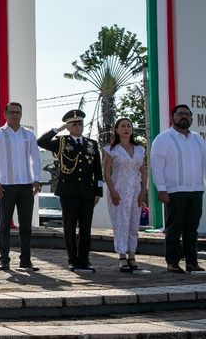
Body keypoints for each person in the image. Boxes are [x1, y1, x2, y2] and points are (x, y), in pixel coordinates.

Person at [37, 109, 103, 272]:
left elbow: (98, 170)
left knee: (86, 227)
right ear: (68, 125)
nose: (77, 126)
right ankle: (73, 259)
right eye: (73, 124)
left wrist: (98, 192)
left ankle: (84, 259)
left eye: (80, 123)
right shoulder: (61, 141)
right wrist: (58, 129)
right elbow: (41, 141)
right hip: (68, 191)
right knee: (69, 226)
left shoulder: (91, 144)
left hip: (87, 191)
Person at [0, 102, 41, 272]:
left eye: (18, 112)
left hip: (26, 185)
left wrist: (36, 179)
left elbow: (36, 159)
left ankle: (26, 260)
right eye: (12, 112)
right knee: (4, 225)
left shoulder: (29, 134)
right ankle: (4, 260)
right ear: (5, 114)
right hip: (5, 186)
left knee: (25, 225)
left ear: (21, 114)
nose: (15, 115)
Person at [150, 104, 206, 273]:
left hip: (196, 189)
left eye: (188, 114)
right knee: (174, 228)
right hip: (174, 191)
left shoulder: (198, 138)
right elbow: (157, 166)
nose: (184, 117)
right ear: (171, 118)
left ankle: (192, 263)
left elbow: (204, 163)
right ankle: (173, 262)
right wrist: (161, 189)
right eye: (180, 114)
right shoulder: (163, 138)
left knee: (192, 228)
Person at [103, 117, 147, 273]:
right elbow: (106, 173)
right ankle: (122, 256)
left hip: (135, 189)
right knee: (121, 222)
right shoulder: (111, 150)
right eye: (123, 126)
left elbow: (143, 171)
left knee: (134, 223)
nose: (126, 128)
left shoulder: (140, 149)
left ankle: (132, 255)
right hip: (119, 189)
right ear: (117, 129)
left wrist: (143, 191)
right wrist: (113, 191)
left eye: (129, 126)